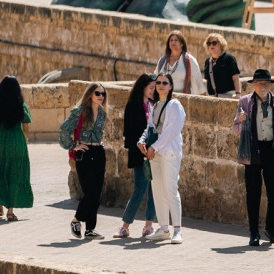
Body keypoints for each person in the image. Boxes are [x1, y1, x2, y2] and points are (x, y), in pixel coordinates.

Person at [233, 69, 274, 247]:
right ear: (253, 85)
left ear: (270, 85)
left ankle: (270, 229)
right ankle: (254, 233)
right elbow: (235, 129)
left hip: (272, 150)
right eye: (259, 83)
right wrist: (240, 121)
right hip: (253, 149)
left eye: (266, 83)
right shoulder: (244, 102)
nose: (262, 86)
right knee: (253, 192)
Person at [138, 73, 185, 243]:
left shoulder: (175, 105)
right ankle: (164, 228)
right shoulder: (155, 105)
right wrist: (141, 141)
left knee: (170, 190)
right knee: (157, 190)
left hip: (168, 152)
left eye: (165, 83)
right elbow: (150, 128)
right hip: (155, 153)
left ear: (171, 86)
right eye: (158, 82)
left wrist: (154, 147)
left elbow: (172, 131)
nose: (161, 85)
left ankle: (177, 230)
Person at [60, 82, 109, 239]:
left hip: (99, 152)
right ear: (90, 95)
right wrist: (73, 146)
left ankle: (90, 229)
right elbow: (64, 129)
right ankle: (76, 220)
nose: (101, 96)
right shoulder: (79, 111)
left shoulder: (102, 113)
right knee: (90, 192)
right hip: (85, 153)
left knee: (97, 194)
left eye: (103, 94)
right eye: (97, 93)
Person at [115, 74, 158, 239]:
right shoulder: (133, 105)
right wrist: (141, 148)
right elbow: (129, 132)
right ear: (143, 87)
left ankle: (149, 226)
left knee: (154, 191)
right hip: (140, 154)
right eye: (151, 87)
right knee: (140, 189)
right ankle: (125, 226)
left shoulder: (153, 104)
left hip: (154, 153)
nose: (153, 90)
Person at [0, 75, 33, 223]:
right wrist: (23, 142)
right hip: (17, 142)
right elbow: (26, 127)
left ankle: (0, 205)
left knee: (0, 174)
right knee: (14, 175)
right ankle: (10, 211)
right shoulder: (21, 106)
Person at [155, 31, 205, 95]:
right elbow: (155, 78)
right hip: (163, 97)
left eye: (176, 40)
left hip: (182, 98)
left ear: (182, 44)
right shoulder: (162, 60)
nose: (173, 42)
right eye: (171, 40)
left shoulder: (190, 60)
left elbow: (199, 85)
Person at [203, 32, 241, 97]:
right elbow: (206, 81)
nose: (211, 45)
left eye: (214, 43)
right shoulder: (207, 62)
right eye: (209, 43)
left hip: (228, 96)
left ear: (220, 44)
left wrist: (238, 94)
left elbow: (236, 78)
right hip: (212, 97)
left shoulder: (229, 58)